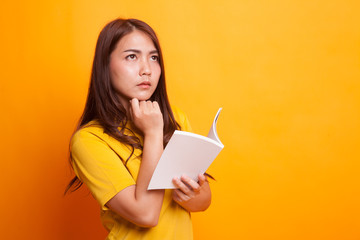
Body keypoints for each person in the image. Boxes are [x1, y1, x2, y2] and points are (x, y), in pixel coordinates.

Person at [65, 18, 212, 239]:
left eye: (153, 58)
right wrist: (153, 134)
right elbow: (146, 215)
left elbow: (203, 202)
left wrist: (192, 194)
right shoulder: (89, 140)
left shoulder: (175, 119)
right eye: (132, 57)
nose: (146, 70)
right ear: (105, 65)